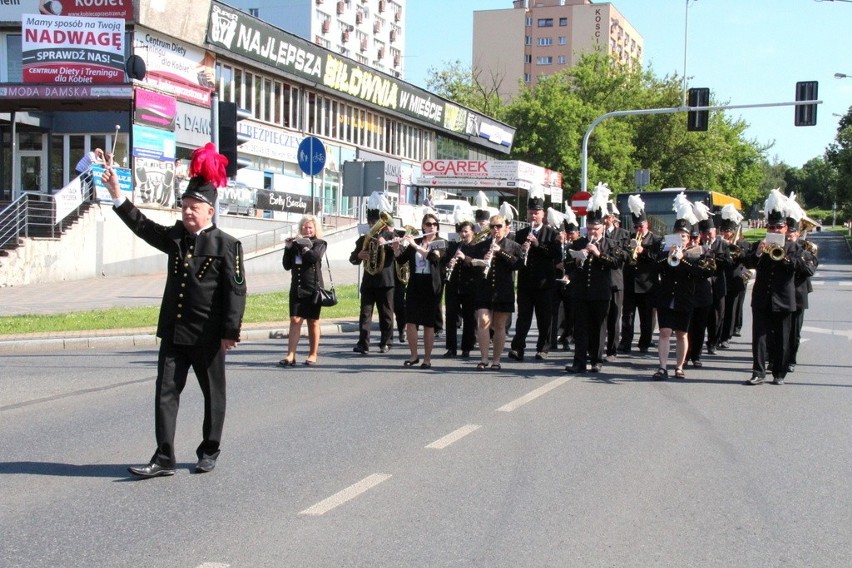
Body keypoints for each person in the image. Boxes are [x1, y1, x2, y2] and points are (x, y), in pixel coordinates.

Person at [101, 143, 246, 477]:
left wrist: (229, 332)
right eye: (184, 207)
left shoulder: (227, 245)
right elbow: (144, 227)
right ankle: (164, 457)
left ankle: (209, 450)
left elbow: (236, 291)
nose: (187, 212)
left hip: (208, 336)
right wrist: (117, 195)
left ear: (210, 210)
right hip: (174, 331)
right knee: (165, 392)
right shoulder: (178, 237)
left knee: (213, 394)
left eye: (194, 207)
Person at [743, 189, 814, 385]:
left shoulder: (796, 248)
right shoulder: (761, 244)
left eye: (779, 228)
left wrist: (786, 257)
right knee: (760, 337)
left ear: (785, 228)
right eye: (771, 228)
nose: (775, 231)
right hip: (762, 298)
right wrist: (757, 253)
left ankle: (779, 373)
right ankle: (758, 372)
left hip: (784, 298)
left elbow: (806, 269)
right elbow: (747, 262)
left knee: (782, 339)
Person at [565, 183, 625, 374]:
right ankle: (579, 362)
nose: (592, 232)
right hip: (581, 291)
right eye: (589, 228)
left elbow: (617, 263)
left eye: (595, 228)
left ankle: (596, 360)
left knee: (599, 327)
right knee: (580, 328)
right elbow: (567, 264)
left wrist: (598, 254)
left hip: (601, 292)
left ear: (602, 227)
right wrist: (577, 258)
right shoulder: (579, 242)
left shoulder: (610, 244)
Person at [652, 203, 713, 380]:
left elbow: (701, 273)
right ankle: (662, 367)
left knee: (682, 333)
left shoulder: (696, 254)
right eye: (678, 235)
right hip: (666, 297)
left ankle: (679, 367)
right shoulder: (664, 253)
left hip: (685, 298)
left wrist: (683, 259)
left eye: (684, 236)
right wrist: (668, 256)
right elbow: (654, 268)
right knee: (664, 332)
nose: (681, 239)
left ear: (689, 238)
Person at [509, 191, 561, 361]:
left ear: (542, 214)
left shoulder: (552, 234)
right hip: (525, 282)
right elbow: (516, 257)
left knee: (544, 318)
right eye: (531, 212)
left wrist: (538, 245)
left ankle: (543, 348)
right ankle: (518, 348)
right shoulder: (521, 233)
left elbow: (555, 255)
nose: (533, 216)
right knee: (523, 318)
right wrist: (522, 250)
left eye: (536, 213)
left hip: (544, 283)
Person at [393, 213, 445, 368]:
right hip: (415, 283)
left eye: (435, 224)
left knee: (429, 324)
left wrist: (415, 246)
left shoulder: (440, 243)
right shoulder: (415, 241)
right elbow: (401, 260)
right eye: (429, 224)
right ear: (423, 226)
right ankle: (414, 355)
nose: (432, 227)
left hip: (431, 285)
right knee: (411, 322)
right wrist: (396, 248)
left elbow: (434, 258)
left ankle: (427, 358)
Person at [471, 214, 522, 370]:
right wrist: (481, 261)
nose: (495, 229)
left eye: (499, 226)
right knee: (483, 321)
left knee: (499, 326)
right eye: (493, 226)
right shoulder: (481, 245)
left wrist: (500, 252)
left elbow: (517, 264)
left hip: (503, 289)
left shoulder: (513, 246)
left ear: (506, 228)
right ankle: (484, 358)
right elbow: (472, 264)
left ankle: (496, 360)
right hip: (484, 288)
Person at [349, 192, 396, 354]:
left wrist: (387, 244)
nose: (372, 224)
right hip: (369, 281)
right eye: (370, 221)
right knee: (365, 314)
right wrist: (358, 256)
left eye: (375, 221)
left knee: (386, 315)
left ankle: (386, 342)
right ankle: (363, 343)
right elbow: (352, 258)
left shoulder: (391, 235)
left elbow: (400, 252)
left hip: (386, 281)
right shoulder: (364, 238)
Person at [280, 215, 327, 367]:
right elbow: (287, 265)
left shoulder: (320, 243)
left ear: (315, 229)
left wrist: (305, 247)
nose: (307, 230)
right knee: (295, 320)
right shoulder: (295, 245)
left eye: (310, 228)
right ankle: (290, 355)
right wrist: (288, 248)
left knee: (312, 321)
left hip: (313, 287)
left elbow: (314, 258)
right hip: (297, 287)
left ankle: (313, 354)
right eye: (305, 227)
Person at [619, 195, 661, 354]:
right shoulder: (628, 238)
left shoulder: (656, 239)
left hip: (647, 284)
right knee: (627, 316)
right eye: (635, 227)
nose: (638, 230)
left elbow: (657, 259)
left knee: (646, 317)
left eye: (640, 226)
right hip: (630, 283)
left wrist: (642, 250)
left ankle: (645, 342)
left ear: (647, 224)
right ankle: (626, 342)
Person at [443, 219, 478, 358]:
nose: (463, 234)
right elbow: (444, 263)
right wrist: (449, 263)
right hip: (453, 286)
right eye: (461, 232)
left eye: (466, 231)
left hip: (469, 287)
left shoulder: (477, 247)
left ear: (472, 232)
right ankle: (451, 348)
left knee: (469, 318)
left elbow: (478, 267)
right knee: (450, 317)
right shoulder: (453, 247)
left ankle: (467, 347)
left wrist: (465, 258)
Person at [603, 200, 630, 361]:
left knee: (614, 317)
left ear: (613, 217)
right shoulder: (595, 234)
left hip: (615, 280)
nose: (604, 220)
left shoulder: (623, 234)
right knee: (599, 317)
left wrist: (615, 248)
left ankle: (612, 350)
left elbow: (627, 257)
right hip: (599, 281)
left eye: (606, 217)